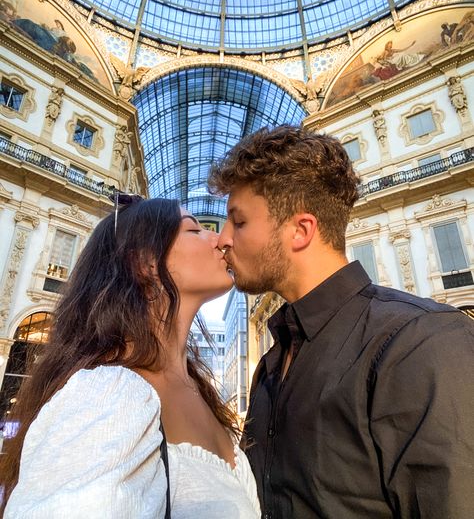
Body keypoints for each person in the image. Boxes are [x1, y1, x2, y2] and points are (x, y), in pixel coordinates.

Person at [208, 125, 474, 519]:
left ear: (301, 230)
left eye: (239, 221)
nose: (222, 239)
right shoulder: (270, 365)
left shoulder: (420, 343)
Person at [1, 196, 260, 518]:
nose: (221, 239)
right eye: (194, 230)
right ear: (145, 262)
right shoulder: (109, 393)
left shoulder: (200, 391)